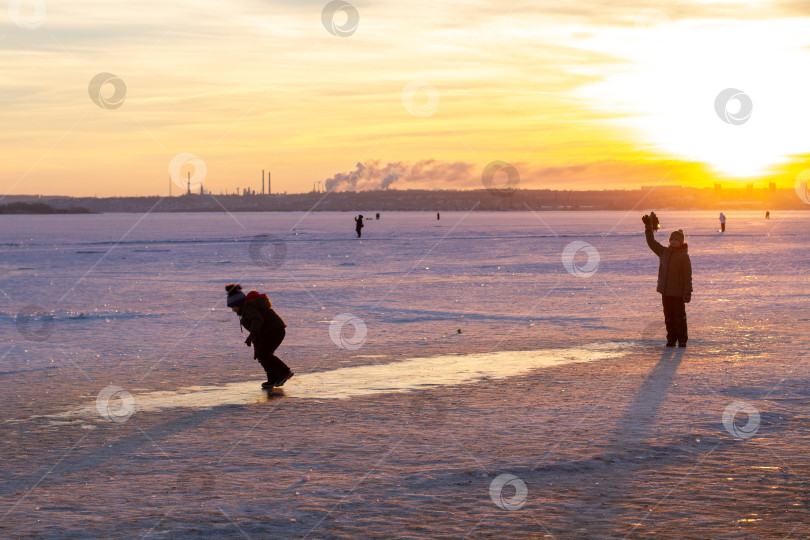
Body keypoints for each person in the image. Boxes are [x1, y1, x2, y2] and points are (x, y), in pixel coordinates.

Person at [226, 283, 293, 389]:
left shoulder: (248, 308)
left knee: (264, 354)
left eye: (232, 306)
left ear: (238, 304)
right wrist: (255, 342)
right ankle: (273, 379)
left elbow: (258, 320)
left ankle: (285, 372)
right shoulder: (246, 309)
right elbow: (258, 328)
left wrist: (251, 336)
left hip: (274, 330)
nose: (232, 310)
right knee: (262, 355)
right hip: (270, 331)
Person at [642, 215, 692, 348]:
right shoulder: (664, 252)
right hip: (666, 291)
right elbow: (651, 242)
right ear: (669, 241)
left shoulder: (684, 256)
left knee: (679, 317)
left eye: (677, 240)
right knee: (669, 317)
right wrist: (649, 227)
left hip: (678, 292)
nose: (674, 242)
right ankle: (671, 339)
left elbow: (687, 275)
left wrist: (688, 292)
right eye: (672, 239)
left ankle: (682, 340)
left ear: (681, 242)